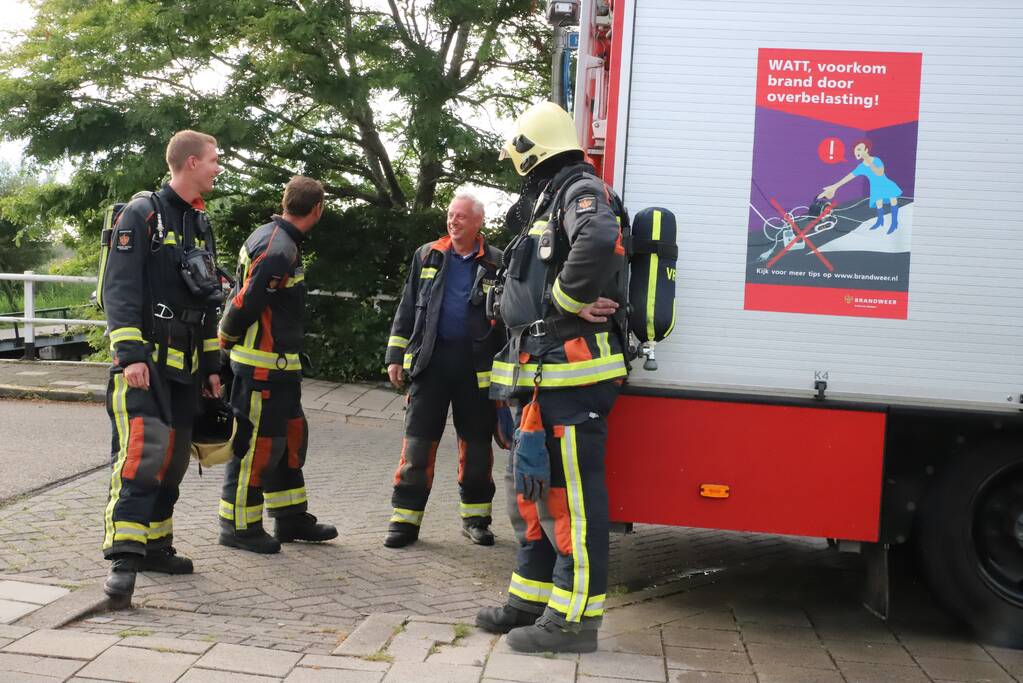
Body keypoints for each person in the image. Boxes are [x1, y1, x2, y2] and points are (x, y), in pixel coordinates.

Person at [475, 101, 629, 653]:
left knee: (571, 503)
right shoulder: (549, 197)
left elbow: (595, 237)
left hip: (571, 376)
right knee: (532, 493)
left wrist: (565, 302)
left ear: (533, 150)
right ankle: (531, 598)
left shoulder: (581, 191)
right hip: (539, 375)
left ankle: (574, 622)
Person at [101, 130, 225, 604]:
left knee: (173, 461)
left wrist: (212, 363)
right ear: (190, 162)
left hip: (186, 367)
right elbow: (121, 289)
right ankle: (124, 560)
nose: (218, 168)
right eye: (214, 160)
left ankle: (155, 545)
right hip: (146, 363)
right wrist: (130, 355)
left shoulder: (199, 221)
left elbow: (207, 297)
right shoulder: (143, 214)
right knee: (142, 456)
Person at [217, 176, 337, 554]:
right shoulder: (277, 249)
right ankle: (238, 526)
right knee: (254, 448)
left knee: (287, 444)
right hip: (260, 371)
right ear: (317, 209)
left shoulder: (277, 239)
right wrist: (224, 346)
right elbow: (244, 305)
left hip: (280, 369)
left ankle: (289, 517)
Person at [382, 193, 504, 549]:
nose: (454, 221)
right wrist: (395, 355)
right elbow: (407, 306)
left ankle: (476, 520)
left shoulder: (496, 262)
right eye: (451, 215)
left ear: (479, 222)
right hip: (430, 365)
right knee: (417, 445)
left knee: (478, 449)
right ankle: (404, 522)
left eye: (462, 217)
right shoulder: (428, 254)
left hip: (476, 371)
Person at [819, 139, 903, 234]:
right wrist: (834, 187)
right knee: (879, 204)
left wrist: (869, 161)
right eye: (856, 150)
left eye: (859, 149)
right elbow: (849, 177)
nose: (857, 152)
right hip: (875, 188)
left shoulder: (876, 160)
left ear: (866, 150)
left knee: (893, 202)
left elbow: (880, 173)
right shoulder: (862, 167)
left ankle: (894, 223)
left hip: (885, 185)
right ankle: (880, 221)